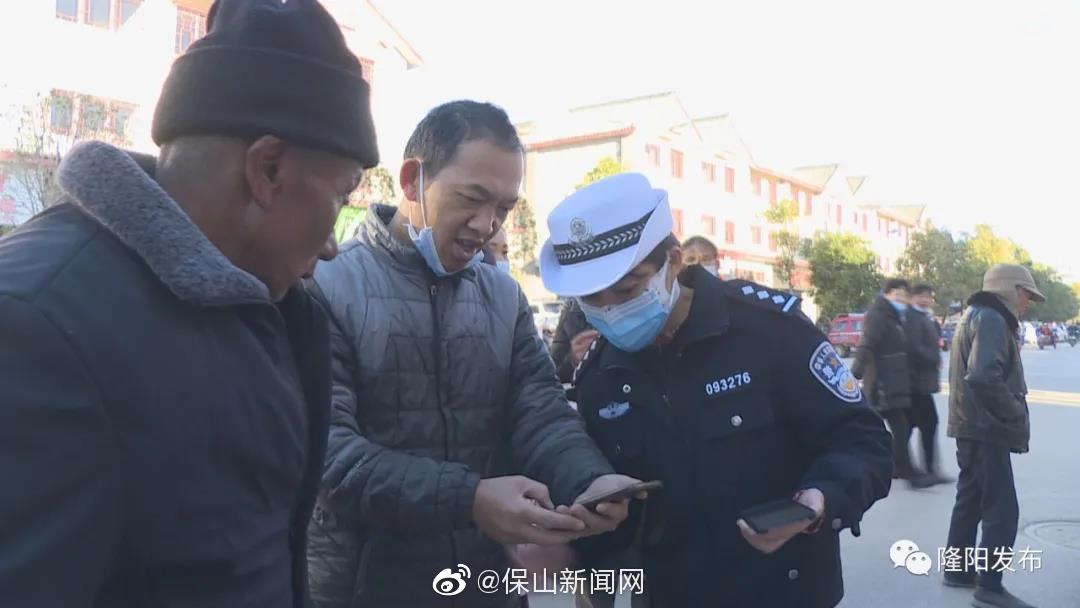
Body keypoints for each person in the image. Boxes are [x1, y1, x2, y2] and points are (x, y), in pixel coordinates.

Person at [0, 1, 376, 605]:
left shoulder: (283, 311)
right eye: (342, 194)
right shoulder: (38, 325)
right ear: (267, 169)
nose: (334, 245)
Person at [304, 101, 636, 608]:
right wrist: (470, 499)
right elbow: (329, 456)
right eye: (472, 199)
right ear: (412, 180)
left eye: (504, 209)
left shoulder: (502, 297)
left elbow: (541, 412)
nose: (486, 226)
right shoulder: (327, 286)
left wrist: (590, 479)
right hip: (361, 588)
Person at [539, 173, 893, 608]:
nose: (610, 309)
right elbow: (612, 518)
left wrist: (821, 499)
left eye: (628, 288)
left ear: (673, 261)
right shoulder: (600, 374)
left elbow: (864, 441)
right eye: (591, 300)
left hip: (783, 591)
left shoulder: (769, 330)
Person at [943, 265, 1043, 608]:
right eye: (1026, 294)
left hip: (970, 425)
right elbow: (983, 376)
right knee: (1002, 510)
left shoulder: (975, 314)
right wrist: (1013, 412)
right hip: (986, 427)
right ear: (1010, 289)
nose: (1027, 303)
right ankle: (990, 586)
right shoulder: (993, 319)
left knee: (970, 499)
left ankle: (957, 570)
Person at [855, 278, 935, 488]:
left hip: (894, 381)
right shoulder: (879, 315)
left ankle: (896, 468)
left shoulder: (894, 316)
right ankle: (906, 471)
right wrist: (855, 373)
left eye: (904, 295)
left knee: (898, 427)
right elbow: (867, 344)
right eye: (897, 293)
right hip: (881, 382)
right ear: (887, 294)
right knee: (899, 427)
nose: (901, 298)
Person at [906, 283, 952, 485]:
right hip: (915, 383)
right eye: (922, 296)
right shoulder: (913, 317)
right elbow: (914, 348)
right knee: (928, 423)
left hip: (921, 382)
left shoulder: (925, 317)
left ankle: (918, 468)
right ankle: (926, 469)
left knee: (909, 426)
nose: (927, 300)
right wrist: (933, 358)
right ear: (913, 298)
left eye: (929, 297)